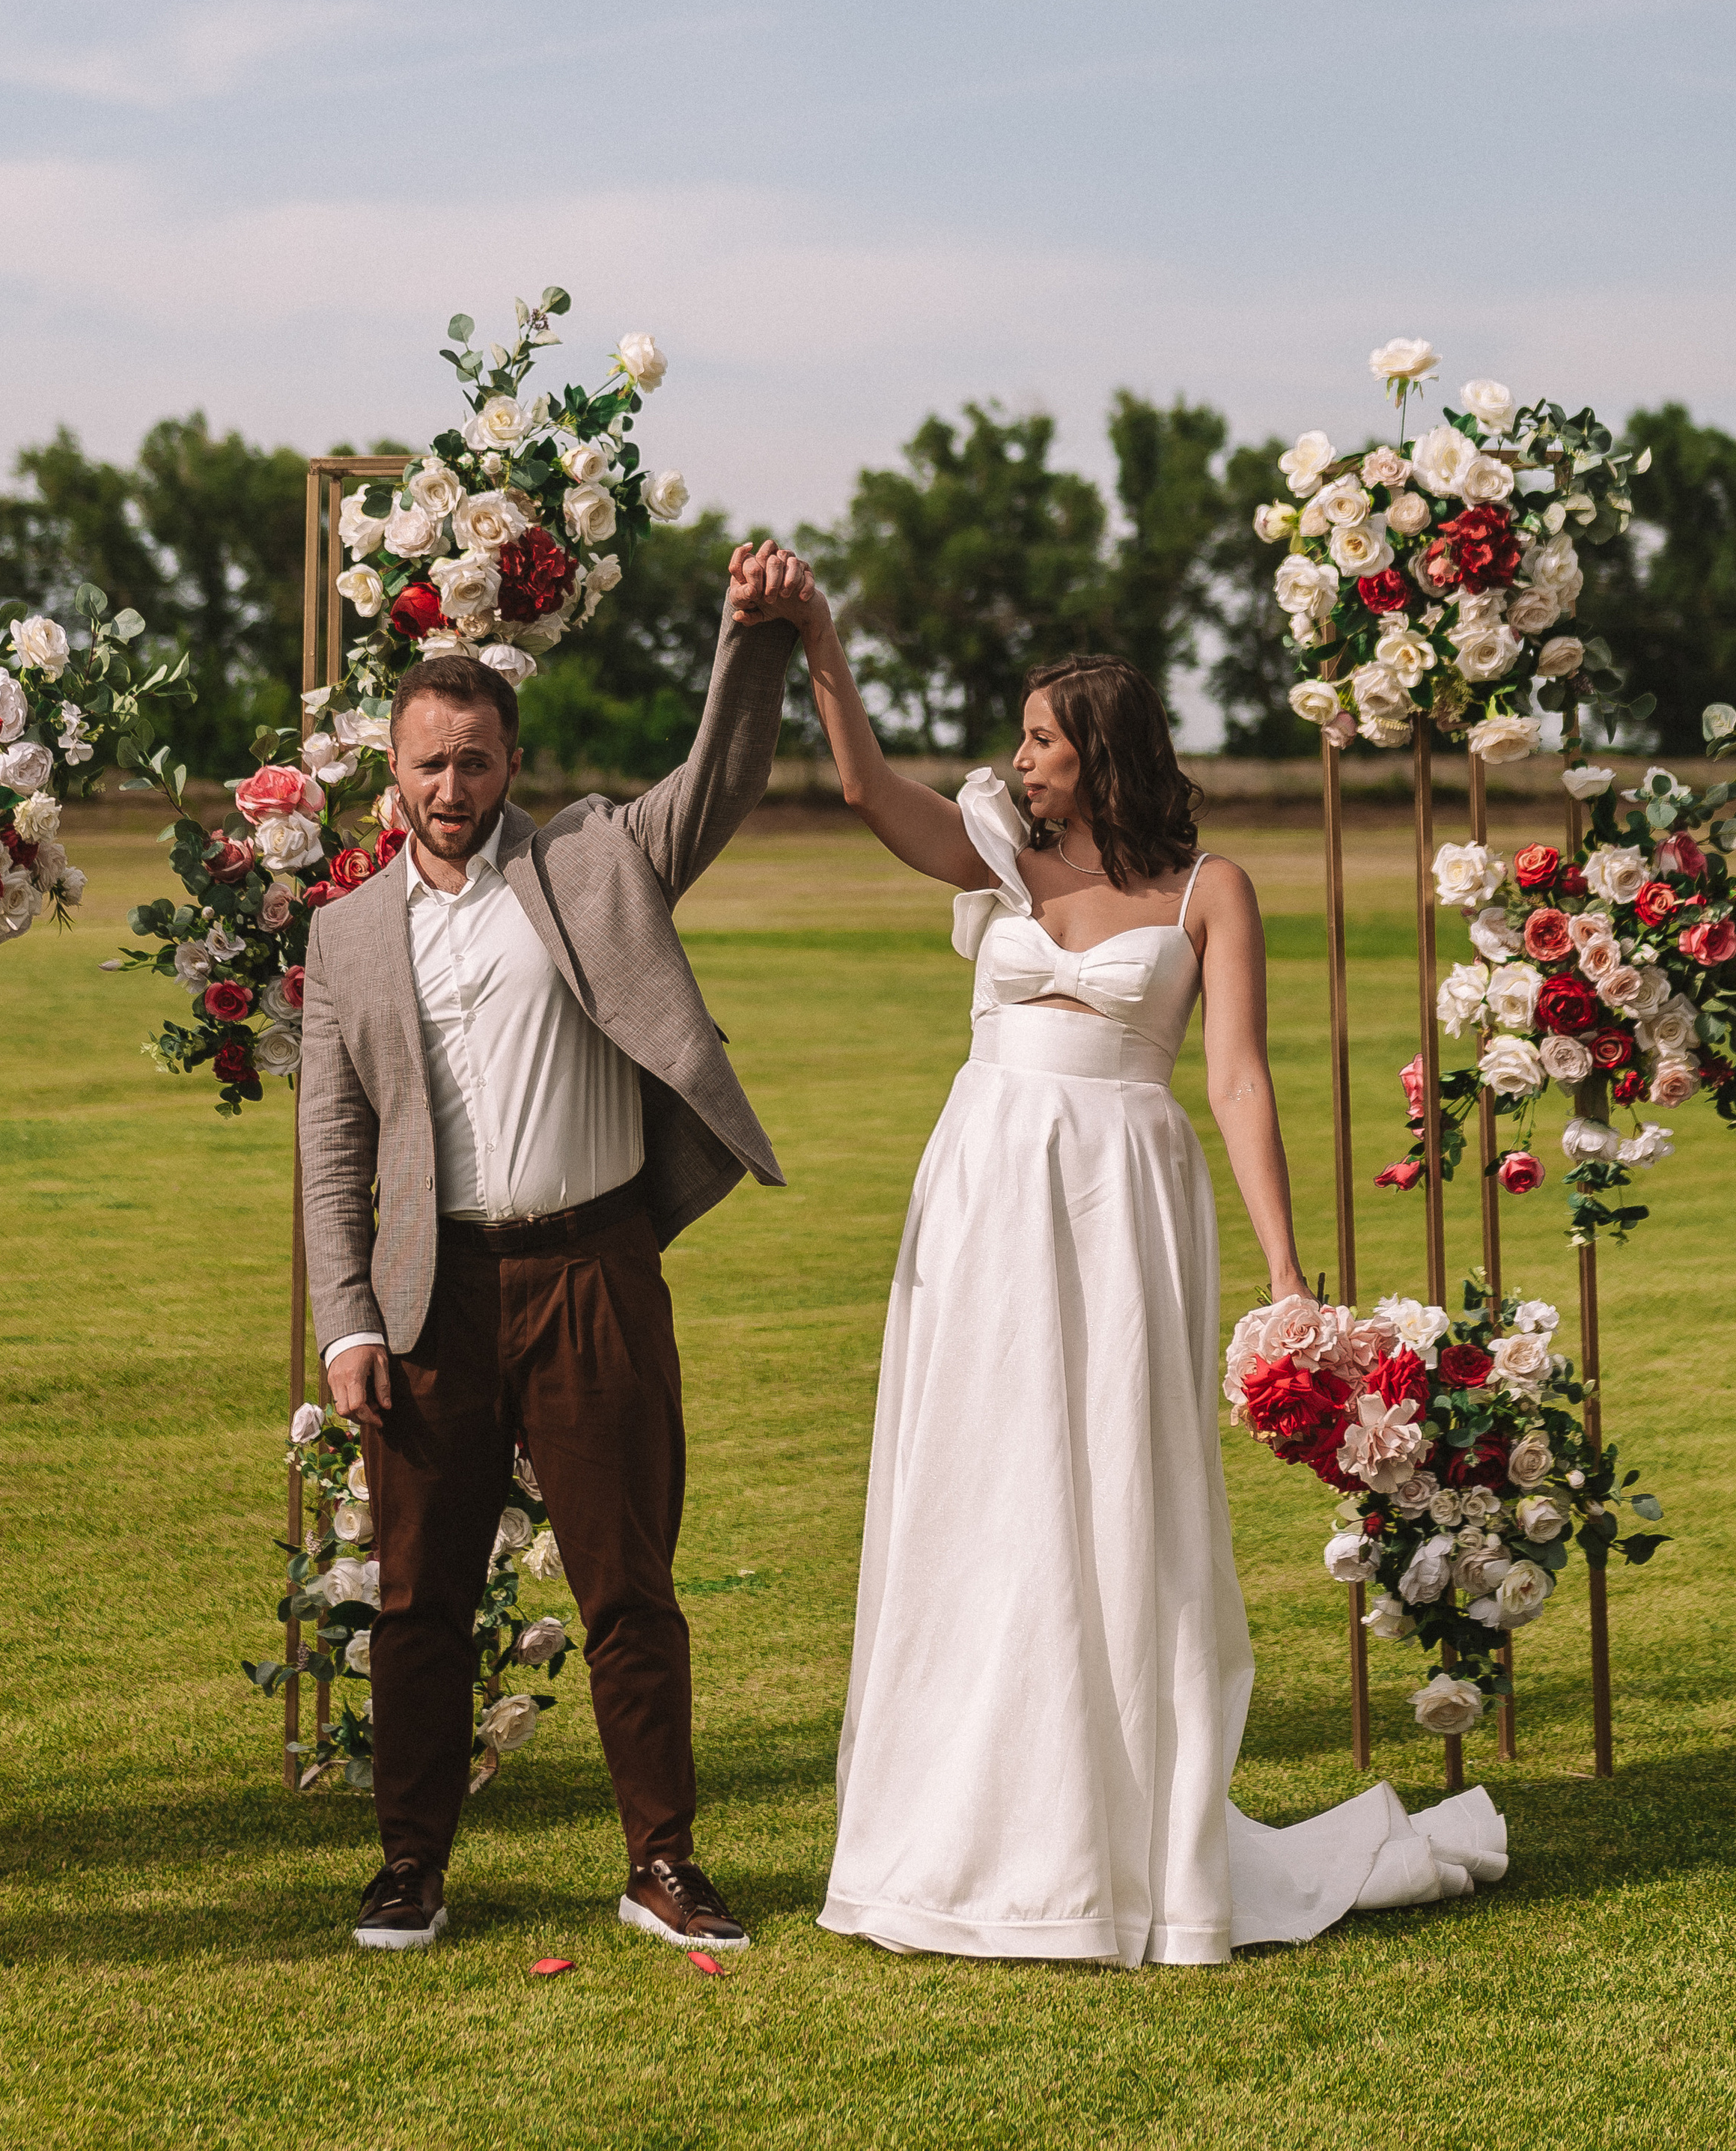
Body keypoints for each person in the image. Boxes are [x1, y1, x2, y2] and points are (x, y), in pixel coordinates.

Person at [752, 579, 1506, 1965]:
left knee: (1109, 1484)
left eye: (1043, 737)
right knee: (978, 1479)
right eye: (1024, 738)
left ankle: (1121, 1836)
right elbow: (862, 785)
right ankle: (963, 1833)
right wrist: (816, 636)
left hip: (1123, 1197)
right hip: (984, 1190)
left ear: (1102, 751)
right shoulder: (994, 856)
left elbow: (1235, 1079)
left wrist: (1287, 1269)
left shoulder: (1211, 889)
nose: (1021, 757)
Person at [299, 539, 811, 1955]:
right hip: (432, 1299)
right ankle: (410, 1866)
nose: (450, 787)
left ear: (509, 757)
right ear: (389, 775)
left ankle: (661, 1860)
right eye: (426, 765)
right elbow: (333, 1150)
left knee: (629, 1586)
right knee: (419, 1601)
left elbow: (723, 780)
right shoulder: (344, 936)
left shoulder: (594, 857)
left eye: (473, 760)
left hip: (596, 1272)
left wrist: (750, 638)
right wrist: (348, 1324)